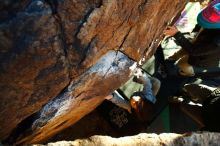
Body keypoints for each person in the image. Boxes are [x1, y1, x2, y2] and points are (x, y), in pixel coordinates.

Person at [164, 0, 220, 77]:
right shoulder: (216, 11)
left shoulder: (216, 42)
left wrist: (177, 34)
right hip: (201, 42)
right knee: (183, 49)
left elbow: (194, 51)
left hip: (202, 59)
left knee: (183, 64)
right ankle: (172, 58)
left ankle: (189, 74)